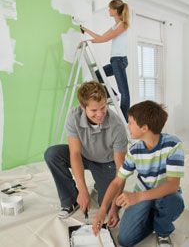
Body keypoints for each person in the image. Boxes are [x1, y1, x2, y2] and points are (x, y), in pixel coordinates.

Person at [92, 100, 185, 247]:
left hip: (165, 196)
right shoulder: (134, 150)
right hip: (143, 197)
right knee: (124, 240)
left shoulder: (173, 145)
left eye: (130, 123)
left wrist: (137, 196)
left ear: (144, 128)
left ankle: (162, 231)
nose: (127, 126)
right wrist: (104, 209)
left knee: (174, 201)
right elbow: (117, 181)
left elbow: (173, 185)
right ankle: (154, 219)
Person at [44, 81, 128, 221]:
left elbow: (121, 170)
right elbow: (75, 153)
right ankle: (70, 200)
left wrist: (113, 206)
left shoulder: (117, 125)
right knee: (52, 154)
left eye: (103, 107)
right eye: (94, 110)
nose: (100, 114)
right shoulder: (74, 116)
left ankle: (101, 186)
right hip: (84, 155)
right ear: (83, 107)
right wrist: (82, 190)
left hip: (106, 162)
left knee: (107, 206)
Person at [80, 0, 130, 122]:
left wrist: (88, 42)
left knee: (125, 92)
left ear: (115, 10)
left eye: (109, 8)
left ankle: (124, 120)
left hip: (119, 60)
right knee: (98, 75)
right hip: (115, 61)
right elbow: (101, 37)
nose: (108, 10)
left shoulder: (123, 24)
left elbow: (105, 39)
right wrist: (86, 30)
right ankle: (112, 95)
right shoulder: (115, 26)